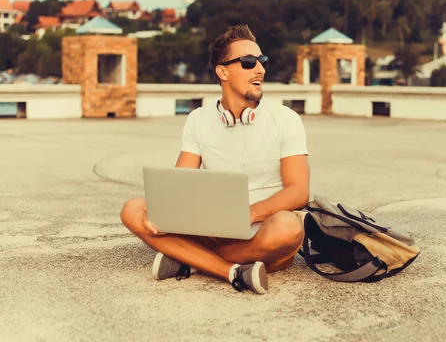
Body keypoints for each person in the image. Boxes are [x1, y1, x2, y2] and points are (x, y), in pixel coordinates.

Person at [120, 24, 310, 295]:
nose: (260, 69)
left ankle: (193, 260)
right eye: (248, 62)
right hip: (212, 226)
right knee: (133, 209)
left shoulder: (286, 119)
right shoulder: (198, 119)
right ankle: (230, 271)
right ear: (222, 71)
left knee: (290, 228)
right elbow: (179, 182)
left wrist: (248, 214)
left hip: (263, 230)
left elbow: (298, 191)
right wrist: (162, 211)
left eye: (262, 61)